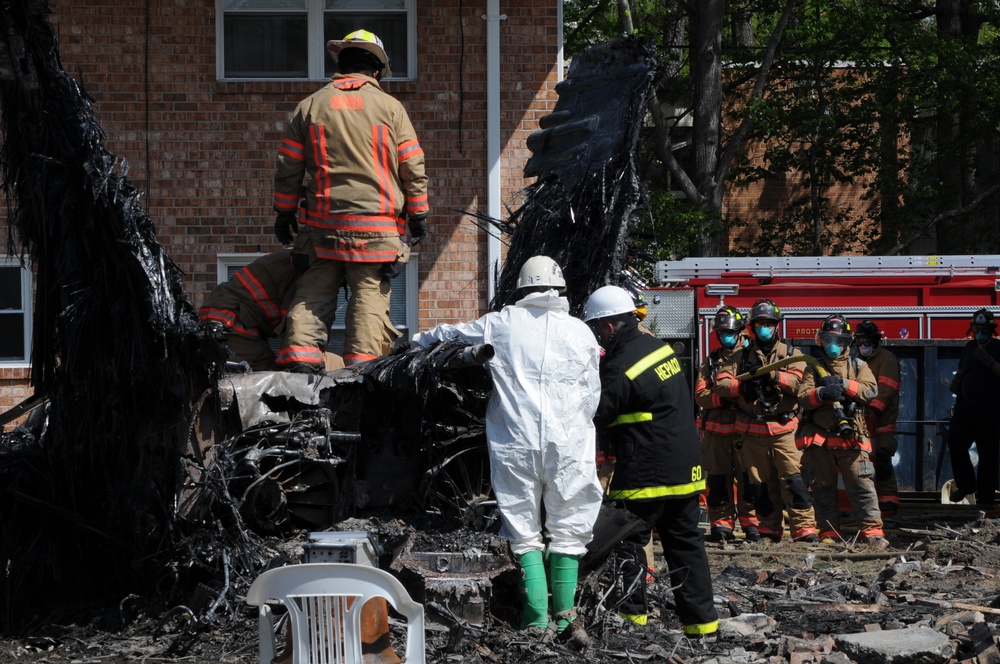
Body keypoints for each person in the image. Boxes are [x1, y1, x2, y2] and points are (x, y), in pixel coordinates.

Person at [411, 256, 601, 649]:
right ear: (560, 290)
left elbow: (448, 335)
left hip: (516, 442)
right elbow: (591, 394)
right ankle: (567, 620)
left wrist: (414, 340)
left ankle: (536, 620)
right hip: (569, 444)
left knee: (523, 528)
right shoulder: (582, 332)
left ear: (521, 289)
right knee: (569, 528)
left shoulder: (499, 323)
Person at [273, 29, 429, 371]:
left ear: (343, 65)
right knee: (369, 300)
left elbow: (288, 168)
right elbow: (412, 167)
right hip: (377, 233)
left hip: (321, 229)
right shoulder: (390, 108)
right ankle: (364, 374)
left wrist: (284, 213)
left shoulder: (310, 106)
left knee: (312, 295)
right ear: (376, 71)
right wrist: (418, 214)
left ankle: (299, 366)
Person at [583, 285, 718, 637]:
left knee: (627, 541)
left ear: (609, 327)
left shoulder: (621, 366)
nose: (597, 336)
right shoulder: (656, 348)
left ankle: (631, 624)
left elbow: (595, 412)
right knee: (686, 547)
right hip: (684, 470)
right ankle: (703, 627)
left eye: (596, 329)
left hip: (647, 470)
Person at [712, 298, 818, 543]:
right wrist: (742, 387)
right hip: (752, 431)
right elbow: (721, 383)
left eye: (768, 323)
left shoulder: (792, 354)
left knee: (794, 479)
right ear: (751, 327)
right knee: (759, 484)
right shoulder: (740, 355)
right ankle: (769, 528)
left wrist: (773, 376)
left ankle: (804, 529)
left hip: (784, 430)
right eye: (758, 324)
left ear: (776, 326)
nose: (763, 328)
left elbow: (799, 383)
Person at [797, 315, 886, 547]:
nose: (831, 345)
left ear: (847, 342)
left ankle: (872, 532)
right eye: (827, 339)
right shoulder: (813, 367)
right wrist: (821, 394)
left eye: (837, 339)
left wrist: (844, 385)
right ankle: (829, 532)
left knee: (862, 485)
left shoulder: (859, 366)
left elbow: (870, 391)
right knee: (822, 488)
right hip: (821, 441)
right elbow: (803, 398)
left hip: (852, 438)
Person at [198, 250, 343, 372]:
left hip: (230, 317)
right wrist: (304, 366)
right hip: (230, 322)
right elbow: (297, 326)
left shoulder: (303, 258)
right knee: (265, 377)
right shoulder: (310, 271)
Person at [695, 306, 760, 542]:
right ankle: (722, 526)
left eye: (729, 331)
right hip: (716, 433)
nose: (725, 336)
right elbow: (700, 395)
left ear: (740, 331)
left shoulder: (751, 357)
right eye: (721, 332)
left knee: (748, 480)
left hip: (746, 431)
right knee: (718, 480)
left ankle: (752, 526)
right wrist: (723, 397)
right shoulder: (711, 361)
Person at [947, 308, 1000, 506]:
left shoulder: (998, 348)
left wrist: (988, 360)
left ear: (991, 330)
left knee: (988, 454)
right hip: (966, 406)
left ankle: (985, 500)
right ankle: (967, 484)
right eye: (976, 328)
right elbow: (962, 371)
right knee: (955, 443)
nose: (980, 332)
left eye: (984, 328)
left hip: (990, 408)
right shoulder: (969, 347)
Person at [853, 320, 901, 518]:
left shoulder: (885, 359)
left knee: (881, 461)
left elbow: (887, 389)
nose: (863, 344)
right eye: (860, 340)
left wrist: (874, 410)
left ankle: (888, 503)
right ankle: (868, 504)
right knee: (863, 464)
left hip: (881, 421)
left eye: (867, 340)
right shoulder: (857, 359)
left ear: (875, 341)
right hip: (862, 420)